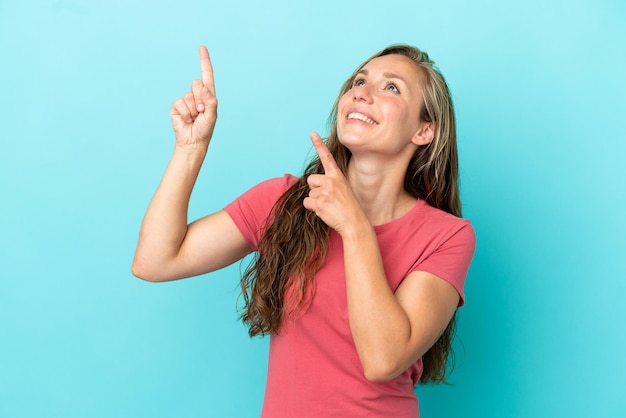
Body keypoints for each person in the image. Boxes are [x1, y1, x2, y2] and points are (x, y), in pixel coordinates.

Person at [132, 44, 476, 418]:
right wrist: (191, 147)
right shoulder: (285, 201)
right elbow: (155, 261)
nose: (362, 92)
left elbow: (383, 359)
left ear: (424, 130)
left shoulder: (447, 236)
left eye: (391, 87)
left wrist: (355, 227)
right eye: (359, 82)